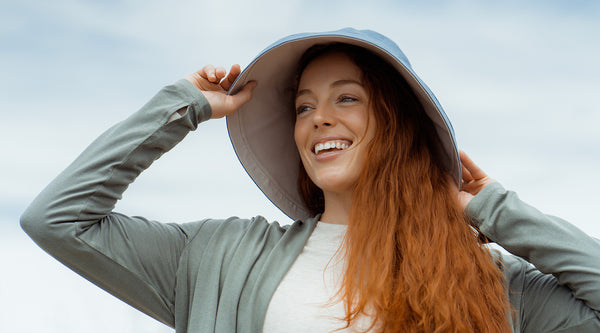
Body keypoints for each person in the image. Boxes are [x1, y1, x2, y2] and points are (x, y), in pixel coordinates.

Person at [20, 28, 600, 332]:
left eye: (347, 98)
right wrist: (180, 108)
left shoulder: (490, 283)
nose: (319, 117)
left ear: (397, 125)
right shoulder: (218, 258)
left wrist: (495, 210)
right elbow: (56, 220)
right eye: (303, 106)